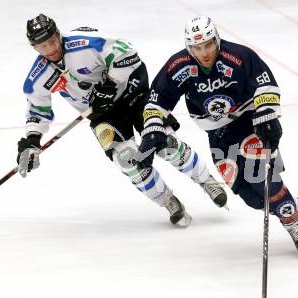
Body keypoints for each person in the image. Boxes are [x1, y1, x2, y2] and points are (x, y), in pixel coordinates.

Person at [17, 14, 227, 227]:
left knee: (166, 144)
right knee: (126, 159)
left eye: (52, 41)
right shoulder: (38, 76)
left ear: (58, 34)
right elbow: (37, 109)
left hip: (132, 93)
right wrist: (32, 141)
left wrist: (111, 82)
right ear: (35, 48)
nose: (51, 49)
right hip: (102, 114)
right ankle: (168, 201)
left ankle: (206, 180)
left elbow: (127, 52)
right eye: (43, 46)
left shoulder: (85, 43)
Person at [138, 16, 298, 251]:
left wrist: (266, 117)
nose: (204, 52)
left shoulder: (238, 56)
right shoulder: (180, 66)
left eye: (208, 44)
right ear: (189, 47)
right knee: (250, 196)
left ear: (216, 39)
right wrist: (152, 127)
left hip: (247, 123)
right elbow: (158, 98)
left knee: (263, 181)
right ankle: (297, 206)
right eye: (197, 47)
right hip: (218, 135)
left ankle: (293, 220)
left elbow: (264, 83)